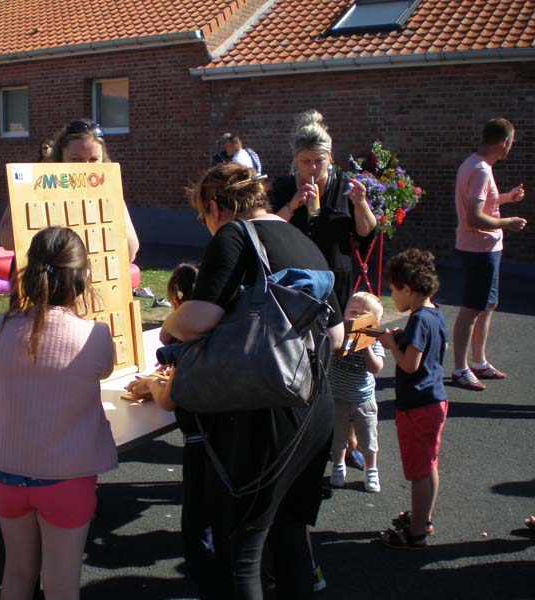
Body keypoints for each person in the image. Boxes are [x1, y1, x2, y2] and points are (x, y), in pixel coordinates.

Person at [160, 162, 344, 598]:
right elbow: (336, 335)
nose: (207, 226)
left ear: (214, 206)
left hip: (263, 415)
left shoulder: (235, 235)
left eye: (203, 217)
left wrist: (169, 325)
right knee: (290, 535)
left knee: (241, 550)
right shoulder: (300, 238)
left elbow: (198, 319)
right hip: (313, 406)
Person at [0, 226, 117, 600]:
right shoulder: (95, 335)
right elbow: (104, 370)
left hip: (7, 471)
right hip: (67, 477)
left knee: (17, 572)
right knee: (61, 584)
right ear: (82, 277)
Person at [124, 263, 216, 589]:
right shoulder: (216, 327)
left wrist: (150, 384)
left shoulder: (187, 338)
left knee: (198, 518)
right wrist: (164, 377)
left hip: (201, 442)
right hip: (225, 435)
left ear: (177, 301)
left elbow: (167, 400)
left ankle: (208, 579)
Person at [270, 109, 376, 312]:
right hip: (293, 280)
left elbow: (365, 233)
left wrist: (361, 203)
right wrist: (291, 206)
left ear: (329, 158)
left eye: (319, 160)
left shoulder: (344, 186)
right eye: (306, 161)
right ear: (295, 158)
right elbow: (270, 230)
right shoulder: (283, 187)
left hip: (335, 282)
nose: (313, 168)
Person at [377, 249, 448, 549]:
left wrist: (392, 344)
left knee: (419, 471)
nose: (392, 296)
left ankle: (416, 533)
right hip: (434, 400)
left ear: (407, 289)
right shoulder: (433, 313)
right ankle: (423, 518)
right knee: (428, 464)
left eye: (393, 291)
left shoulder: (418, 320)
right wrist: (402, 338)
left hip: (417, 405)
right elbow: (431, 348)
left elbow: (409, 364)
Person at [451, 118, 526, 391]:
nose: (511, 147)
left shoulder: (474, 164)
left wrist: (506, 198)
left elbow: (482, 203)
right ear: (504, 142)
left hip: (486, 248)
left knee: (488, 304)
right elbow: (474, 217)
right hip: (479, 249)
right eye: (511, 143)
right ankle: (460, 369)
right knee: (472, 308)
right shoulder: (481, 169)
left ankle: (479, 361)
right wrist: (509, 222)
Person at [0, 120, 140, 262]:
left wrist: (105, 213)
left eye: (93, 159)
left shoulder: (109, 191)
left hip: (94, 271)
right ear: (60, 158)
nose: (84, 167)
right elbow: (7, 241)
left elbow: (130, 252)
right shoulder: (37, 185)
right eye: (76, 159)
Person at [329, 292, 385, 493]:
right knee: (338, 438)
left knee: (368, 439)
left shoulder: (374, 341)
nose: (356, 317)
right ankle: (338, 466)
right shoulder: (340, 335)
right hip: (338, 397)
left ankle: (371, 470)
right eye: (353, 312)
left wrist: (366, 346)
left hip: (363, 399)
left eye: (363, 315)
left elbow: (376, 367)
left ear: (374, 322)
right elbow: (329, 353)